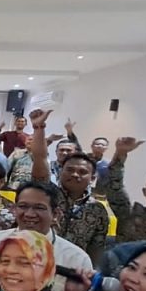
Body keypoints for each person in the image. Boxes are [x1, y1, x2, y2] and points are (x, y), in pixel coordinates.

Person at [30, 110, 109, 263]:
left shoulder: (97, 210)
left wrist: (90, 273)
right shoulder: (47, 195)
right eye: (70, 170)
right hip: (36, 261)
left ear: (92, 178)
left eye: (82, 172)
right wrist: (39, 128)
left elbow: (96, 248)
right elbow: (40, 158)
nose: (75, 174)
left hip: (73, 268)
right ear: (61, 172)